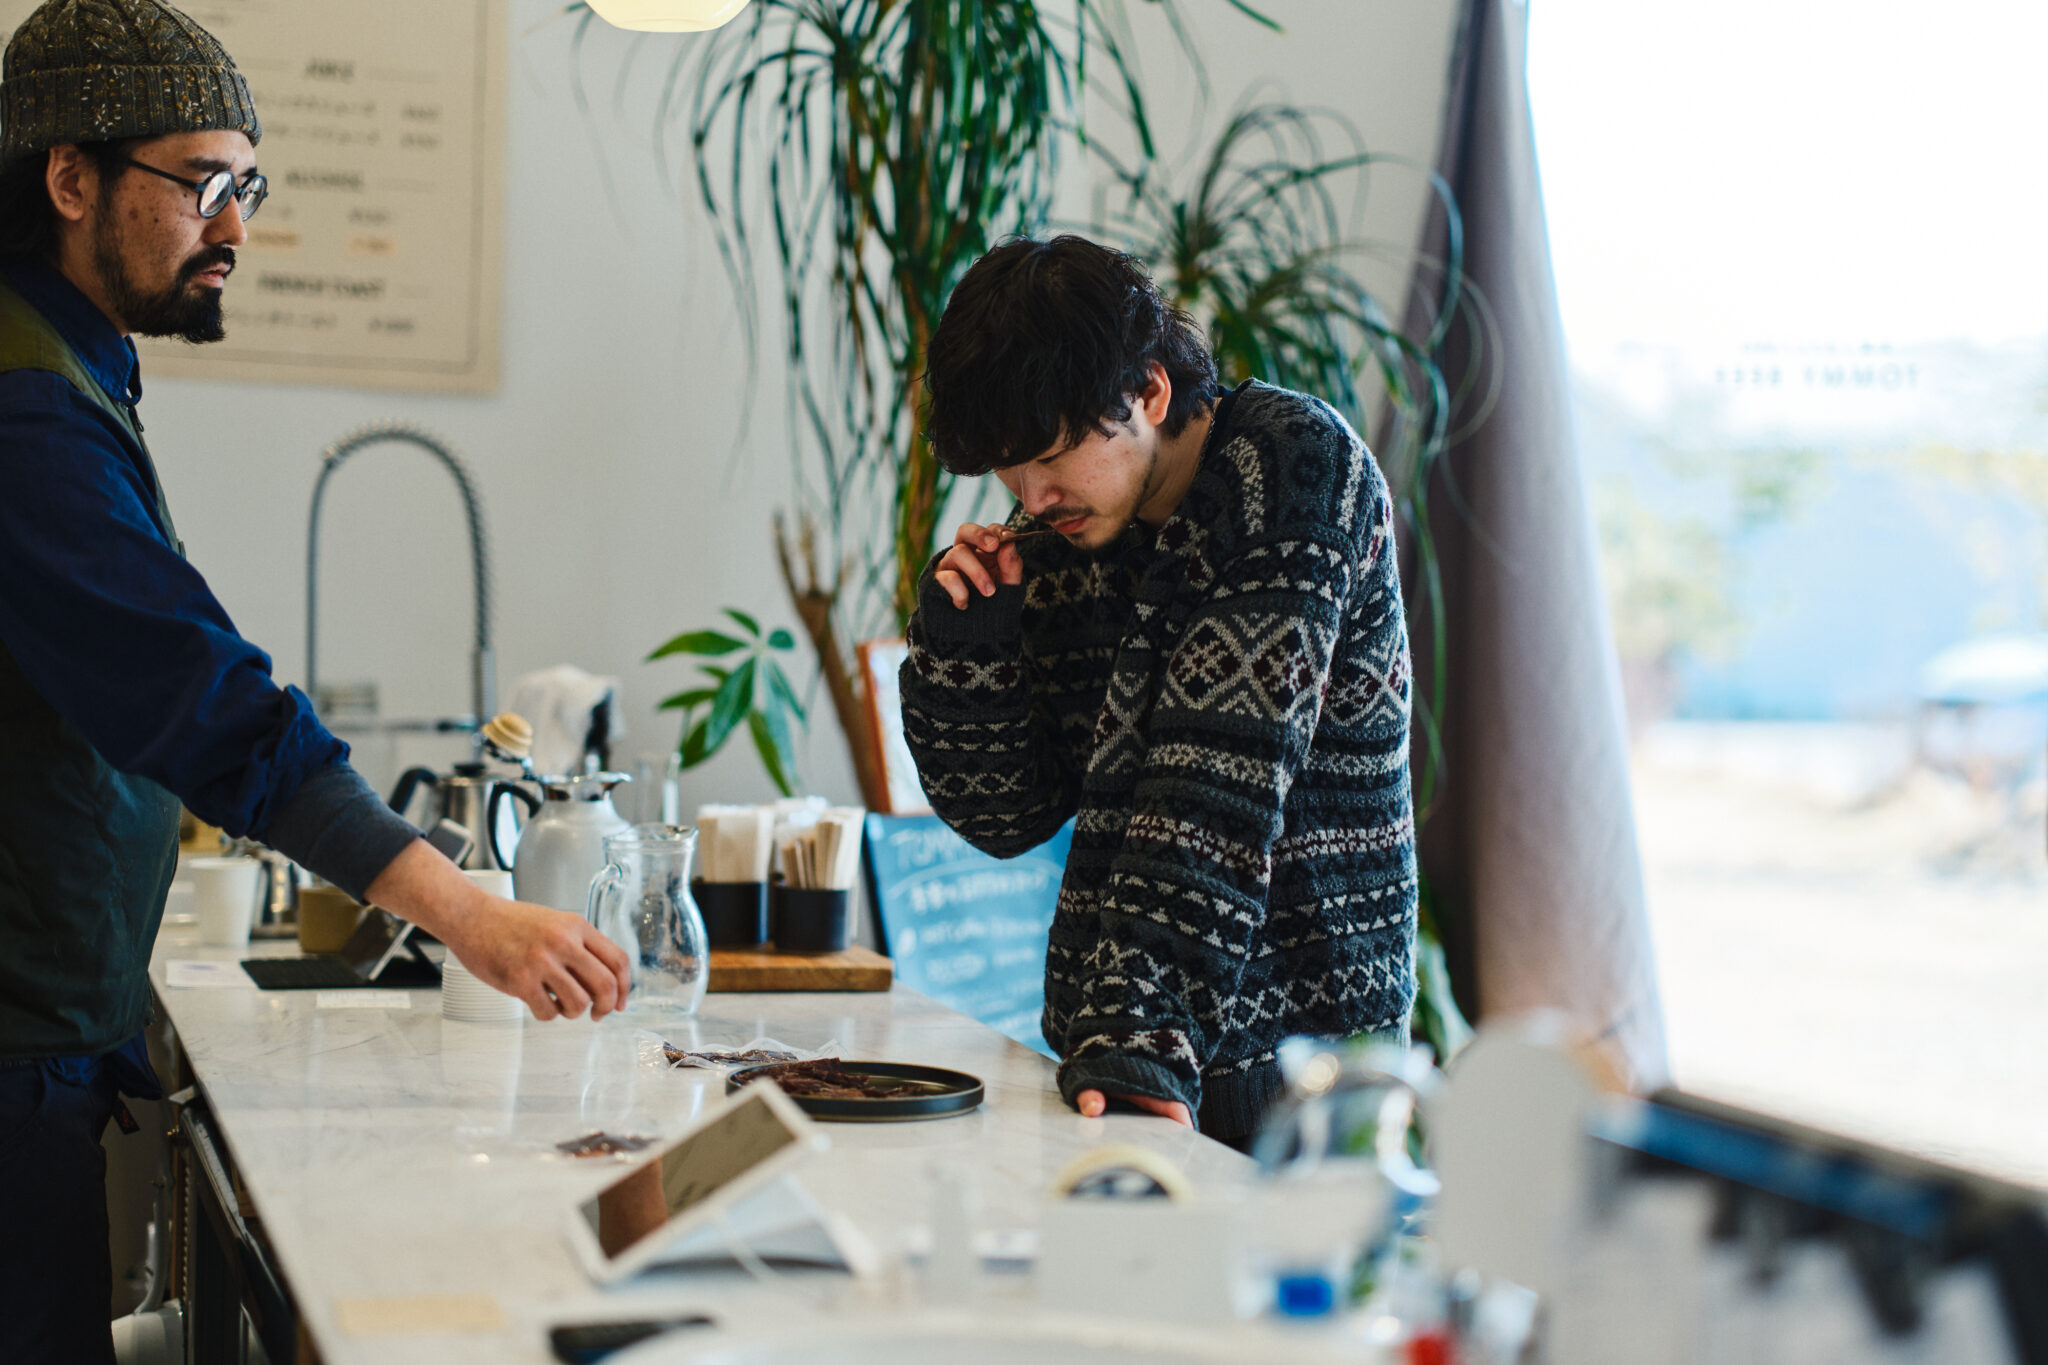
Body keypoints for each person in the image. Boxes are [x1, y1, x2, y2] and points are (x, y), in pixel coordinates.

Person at [0, 3, 630, 1359]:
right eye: (202, 184)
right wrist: (474, 915)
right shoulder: (29, 412)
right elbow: (207, 704)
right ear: (69, 178)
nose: (235, 228)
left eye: (249, 186)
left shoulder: (67, 373)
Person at [900, 234, 1418, 1147]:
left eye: (1051, 454)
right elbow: (1008, 814)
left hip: (1305, 1060)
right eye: (1010, 469)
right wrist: (968, 641)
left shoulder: (1295, 470)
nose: (1032, 492)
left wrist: (1136, 1043)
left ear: (1149, 389)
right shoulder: (1074, 527)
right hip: (1142, 1051)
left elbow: (1215, 791)